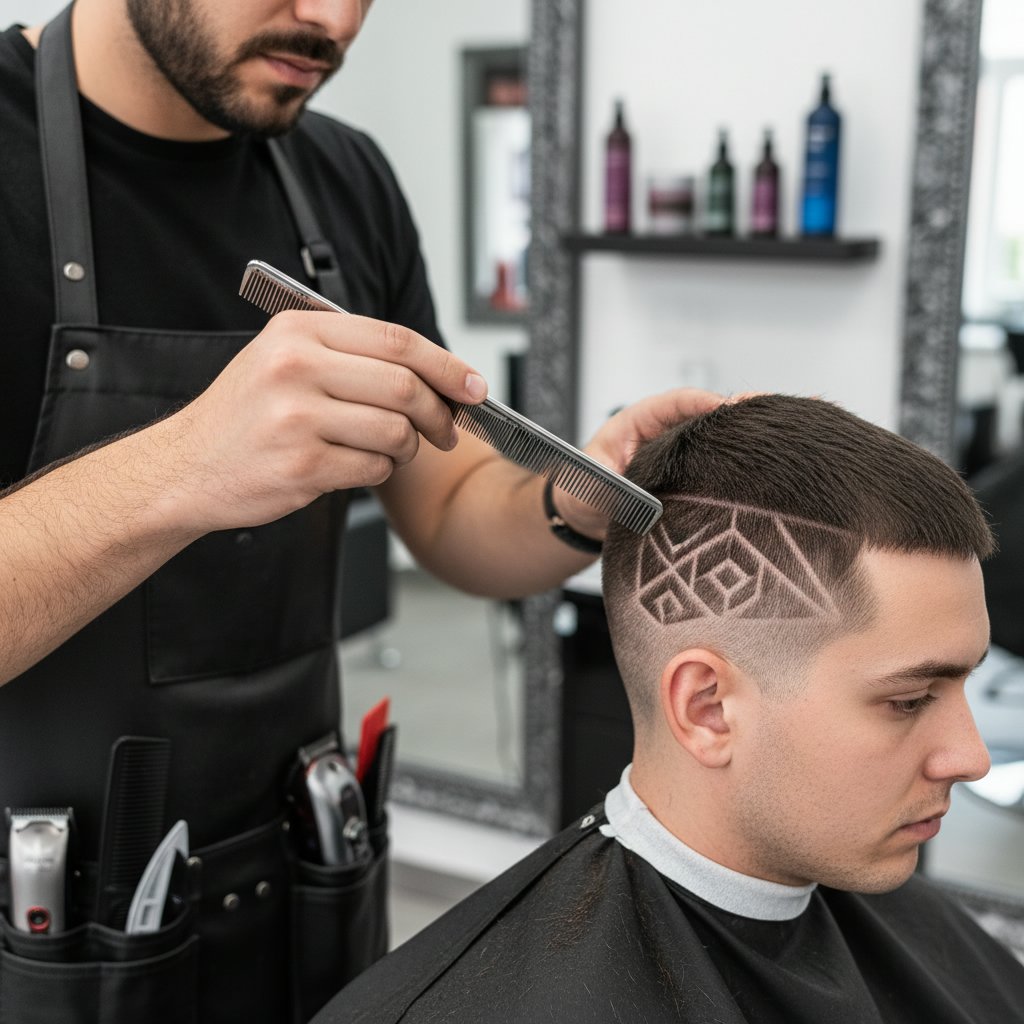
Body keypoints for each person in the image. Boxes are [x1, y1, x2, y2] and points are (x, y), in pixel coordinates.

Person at [0, 2, 720, 1022]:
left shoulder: (345, 180)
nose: (328, 19)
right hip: (41, 926)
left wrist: (571, 497)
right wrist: (188, 463)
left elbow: (454, 509)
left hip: (304, 881)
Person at [315, 394, 1024, 1024]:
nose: (972, 756)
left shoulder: (921, 930)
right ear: (708, 708)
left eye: (966, 684)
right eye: (908, 700)